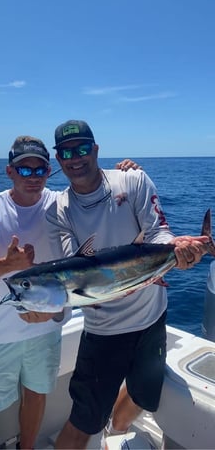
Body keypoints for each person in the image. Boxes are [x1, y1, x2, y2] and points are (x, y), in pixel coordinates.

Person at [0, 134, 138, 450]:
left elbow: (100, 193)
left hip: (47, 328)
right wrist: (4, 264)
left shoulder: (60, 203)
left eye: (39, 170)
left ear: (48, 171)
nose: (33, 177)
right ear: (9, 171)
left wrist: (125, 174)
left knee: (37, 395)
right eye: (24, 170)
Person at [45, 119, 209, 449]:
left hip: (151, 320)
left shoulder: (132, 180)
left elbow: (158, 232)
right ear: (58, 159)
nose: (75, 159)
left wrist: (177, 250)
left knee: (143, 394)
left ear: (95, 150)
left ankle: (114, 435)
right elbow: (72, 267)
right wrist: (52, 307)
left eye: (81, 149)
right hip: (104, 331)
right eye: (66, 152)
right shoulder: (58, 210)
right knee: (82, 421)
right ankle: (100, 429)